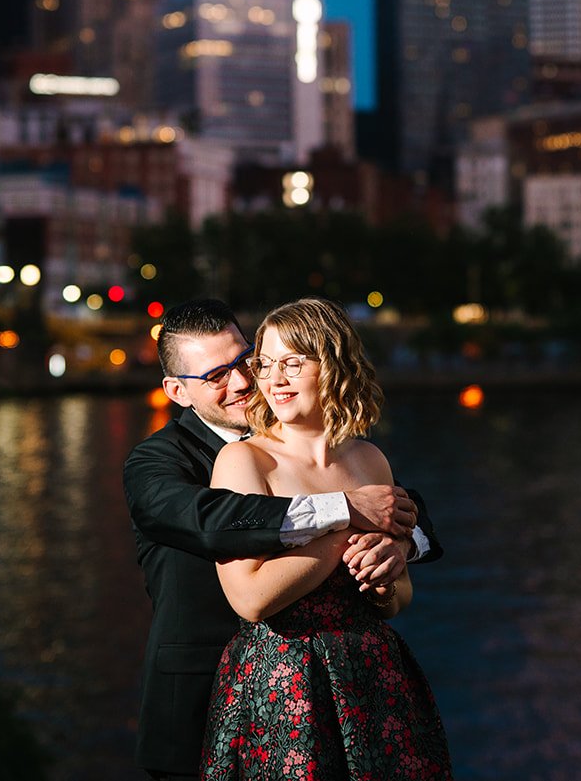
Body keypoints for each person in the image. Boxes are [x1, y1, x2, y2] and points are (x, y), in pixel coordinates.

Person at [122, 299, 440, 781]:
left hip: (354, 684)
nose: (247, 383)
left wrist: (397, 545)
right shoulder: (155, 464)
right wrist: (347, 513)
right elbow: (214, 521)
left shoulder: (337, 444)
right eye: (216, 377)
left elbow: (399, 507)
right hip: (206, 692)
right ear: (176, 391)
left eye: (246, 362)